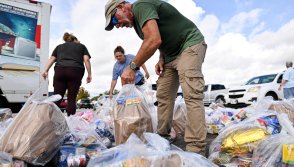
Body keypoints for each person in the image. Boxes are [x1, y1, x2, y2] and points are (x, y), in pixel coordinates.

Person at [104, 0, 207, 156]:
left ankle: (196, 149)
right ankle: (163, 137)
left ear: (121, 6)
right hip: (169, 55)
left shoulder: (140, 7)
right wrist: (162, 57)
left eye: (114, 19)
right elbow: (161, 39)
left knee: (191, 92)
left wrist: (132, 67)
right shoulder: (137, 26)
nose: (117, 25)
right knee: (164, 95)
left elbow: (153, 39)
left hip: (189, 43)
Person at [42, 32, 92, 116]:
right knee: (71, 99)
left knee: (56, 98)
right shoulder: (81, 46)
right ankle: (71, 120)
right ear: (74, 40)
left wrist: (45, 70)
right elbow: (86, 60)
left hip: (60, 71)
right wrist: (89, 74)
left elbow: (52, 59)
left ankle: (50, 121)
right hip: (75, 71)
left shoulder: (59, 47)